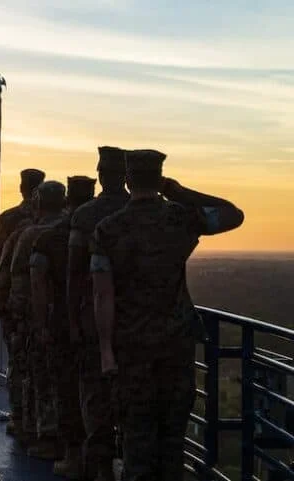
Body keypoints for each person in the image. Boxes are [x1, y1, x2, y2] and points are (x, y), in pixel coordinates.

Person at [91, 149, 244, 480]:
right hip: (176, 348)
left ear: (128, 180)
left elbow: (102, 294)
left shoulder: (108, 229)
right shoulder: (180, 218)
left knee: (136, 444)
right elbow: (233, 214)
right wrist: (178, 192)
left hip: (130, 351)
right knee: (172, 447)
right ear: (159, 178)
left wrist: (106, 352)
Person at [68, 147, 129, 481]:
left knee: (96, 404)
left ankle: (101, 471)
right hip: (143, 330)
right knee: (139, 411)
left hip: (94, 324)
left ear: (102, 176)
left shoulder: (86, 217)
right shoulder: (159, 214)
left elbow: (75, 276)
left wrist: (73, 321)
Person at [27, 180, 85, 477]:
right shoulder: (103, 229)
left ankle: (68, 452)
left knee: (63, 389)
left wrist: (40, 325)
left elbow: (36, 284)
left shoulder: (44, 238)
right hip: (103, 328)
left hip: (62, 325)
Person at [0, 168, 45, 438]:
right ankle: (46, 428)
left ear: (22, 188)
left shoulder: (9, 220)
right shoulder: (63, 221)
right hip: (55, 312)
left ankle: (22, 422)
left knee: (20, 366)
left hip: (18, 309)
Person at [9, 185, 60, 458]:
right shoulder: (69, 231)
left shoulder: (29, 235)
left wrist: (18, 319)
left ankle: (40, 435)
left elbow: (19, 281)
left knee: (36, 377)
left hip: (36, 319)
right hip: (68, 320)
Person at [0, 169, 46, 304]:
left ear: (21, 188)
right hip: (48, 296)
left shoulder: (7, 218)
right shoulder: (59, 218)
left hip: (15, 296)